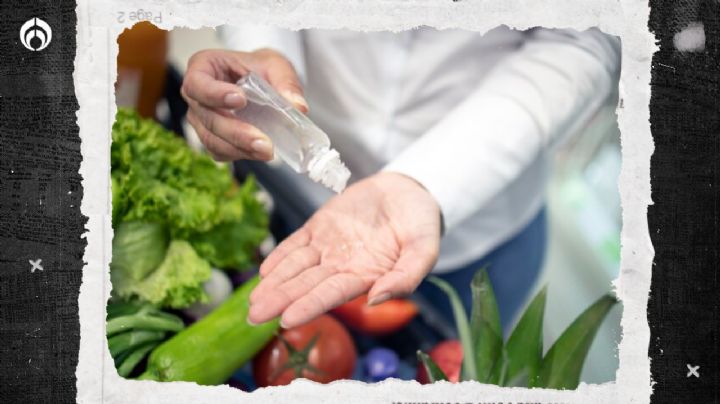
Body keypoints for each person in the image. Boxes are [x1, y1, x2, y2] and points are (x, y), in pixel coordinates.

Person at [180, 25, 621, 333]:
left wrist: (426, 182)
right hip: (302, 207)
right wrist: (262, 49)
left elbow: (587, 41)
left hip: (481, 226)